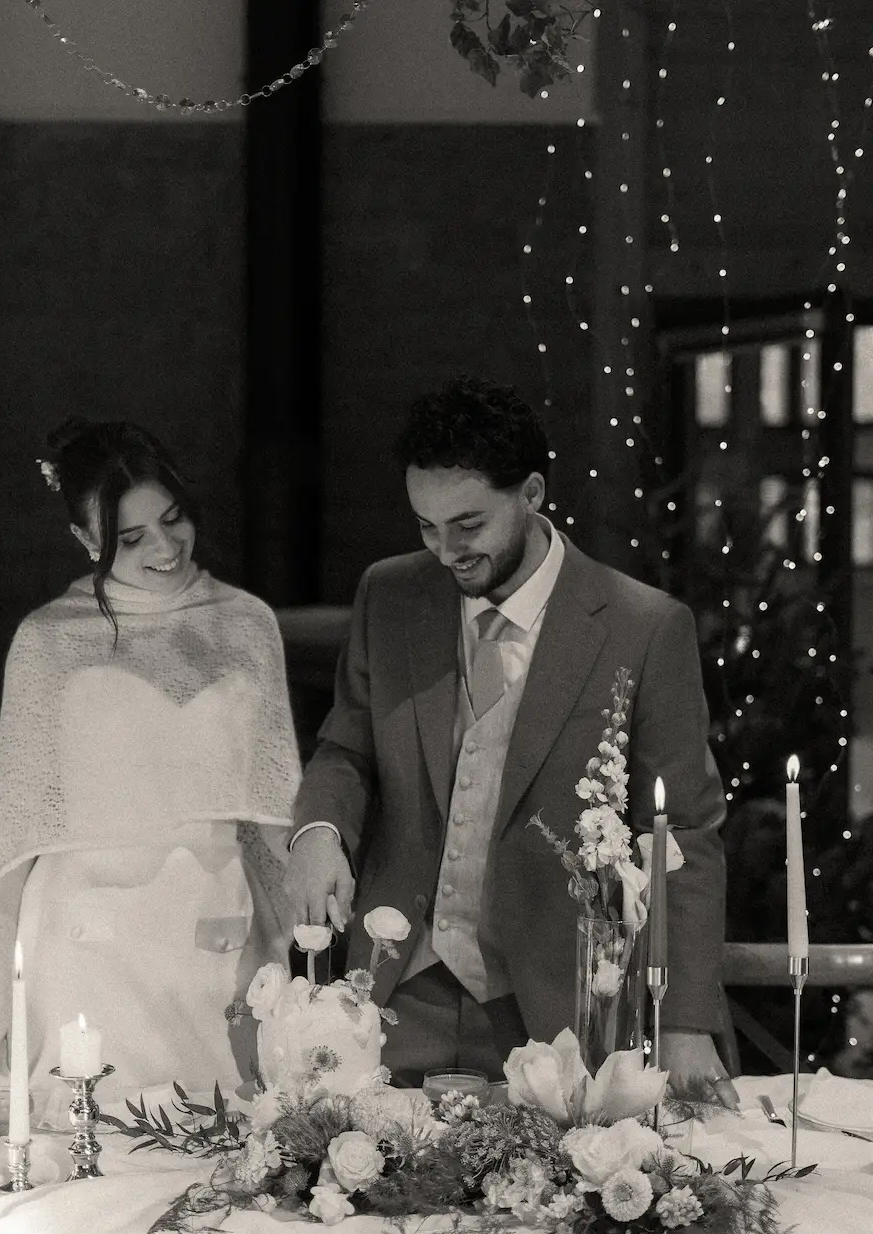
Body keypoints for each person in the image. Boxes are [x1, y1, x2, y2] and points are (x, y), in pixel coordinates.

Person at [285, 377, 738, 1103]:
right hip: (397, 992)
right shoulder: (390, 596)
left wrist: (684, 1021)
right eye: (426, 527)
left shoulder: (643, 626)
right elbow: (349, 747)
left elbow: (681, 831)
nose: (444, 552)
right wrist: (316, 829)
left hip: (559, 1009)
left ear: (531, 493)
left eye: (468, 525)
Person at [0, 419, 300, 1108]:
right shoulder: (49, 640)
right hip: (85, 946)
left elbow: (273, 807)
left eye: (173, 520)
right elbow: (18, 825)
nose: (165, 548)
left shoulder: (246, 624)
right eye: (132, 538)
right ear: (85, 540)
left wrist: (299, 949)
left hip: (212, 935)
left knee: (223, 1149)